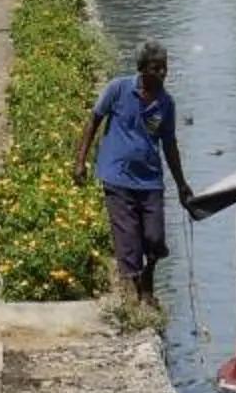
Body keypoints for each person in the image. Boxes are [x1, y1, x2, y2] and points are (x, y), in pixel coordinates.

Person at [74, 43, 190, 303]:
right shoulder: (118, 89)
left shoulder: (166, 104)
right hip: (117, 176)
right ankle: (137, 293)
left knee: (155, 237)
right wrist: (80, 161)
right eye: (155, 68)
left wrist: (182, 184)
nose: (161, 73)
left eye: (164, 68)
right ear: (141, 68)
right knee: (128, 238)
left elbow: (170, 145)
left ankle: (147, 276)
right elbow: (94, 120)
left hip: (150, 180)